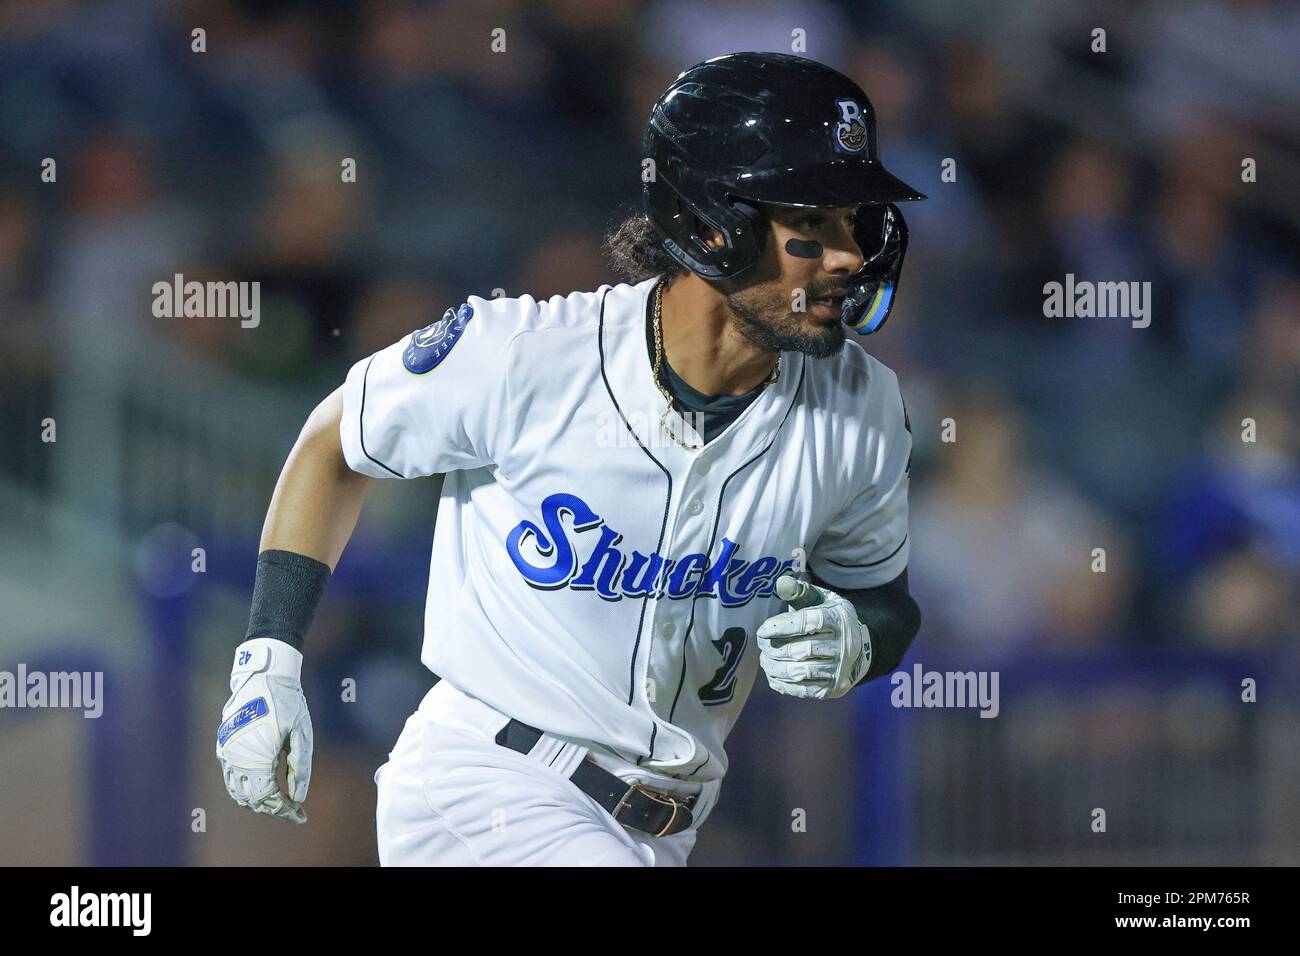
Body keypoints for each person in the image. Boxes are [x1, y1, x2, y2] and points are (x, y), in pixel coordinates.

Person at [215, 51, 924, 866]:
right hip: (488, 784)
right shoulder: (526, 355)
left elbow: (882, 599)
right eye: (815, 223)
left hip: (661, 829)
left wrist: (860, 640)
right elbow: (334, 445)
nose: (846, 255)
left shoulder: (862, 408)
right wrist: (268, 661)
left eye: (857, 222)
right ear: (709, 222)